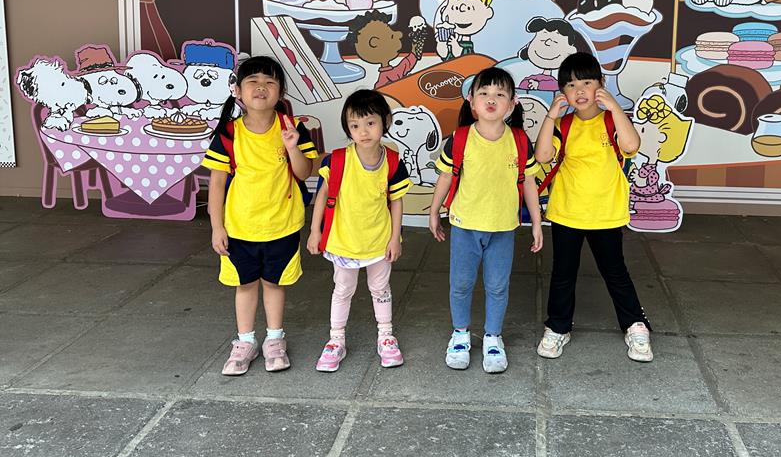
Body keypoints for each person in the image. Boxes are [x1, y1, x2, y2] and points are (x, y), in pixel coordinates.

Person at [533, 52, 654, 362]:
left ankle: (635, 325)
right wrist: (550, 116)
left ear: (601, 83)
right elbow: (543, 155)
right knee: (563, 273)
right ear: (562, 92)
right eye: (571, 85)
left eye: (587, 82)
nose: (580, 91)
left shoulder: (612, 120)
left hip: (606, 214)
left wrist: (614, 107)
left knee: (615, 271)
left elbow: (631, 145)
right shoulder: (563, 124)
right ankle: (558, 326)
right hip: (567, 212)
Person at [203, 56, 320, 376]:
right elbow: (216, 184)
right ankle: (245, 342)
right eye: (252, 81)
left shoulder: (293, 128)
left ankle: (274, 339)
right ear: (238, 91)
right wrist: (216, 227)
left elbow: (304, 172)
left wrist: (292, 147)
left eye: (270, 82)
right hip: (239, 227)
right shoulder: (229, 133)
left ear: (281, 91)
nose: (261, 87)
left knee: (274, 283)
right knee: (244, 285)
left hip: (282, 225)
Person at [429, 67, 543, 373]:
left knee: (497, 286)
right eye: (484, 93)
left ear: (512, 103)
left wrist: (536, 222)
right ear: (471, 100)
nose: (491, 99)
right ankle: (460, 334)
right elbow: (445, 177)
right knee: (461, 285)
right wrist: (434, 211)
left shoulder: (519, 141)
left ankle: (493, 337)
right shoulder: (460, 138)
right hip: (465, 226)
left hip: (503, 228)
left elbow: (529, 183)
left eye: (500, 94)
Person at [307, 89, 412, 371]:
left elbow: (396, 202)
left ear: (386, 121)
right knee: (343, 289)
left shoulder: (392, 162)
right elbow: (321, 195)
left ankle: (386, 335)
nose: (363, 131)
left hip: (379, 240)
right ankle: (336, 339)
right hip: (343, 240)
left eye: (370, 123)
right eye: (355, 125)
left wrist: (395, 238)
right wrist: (315, 231)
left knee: (380, 288)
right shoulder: (338, 160)